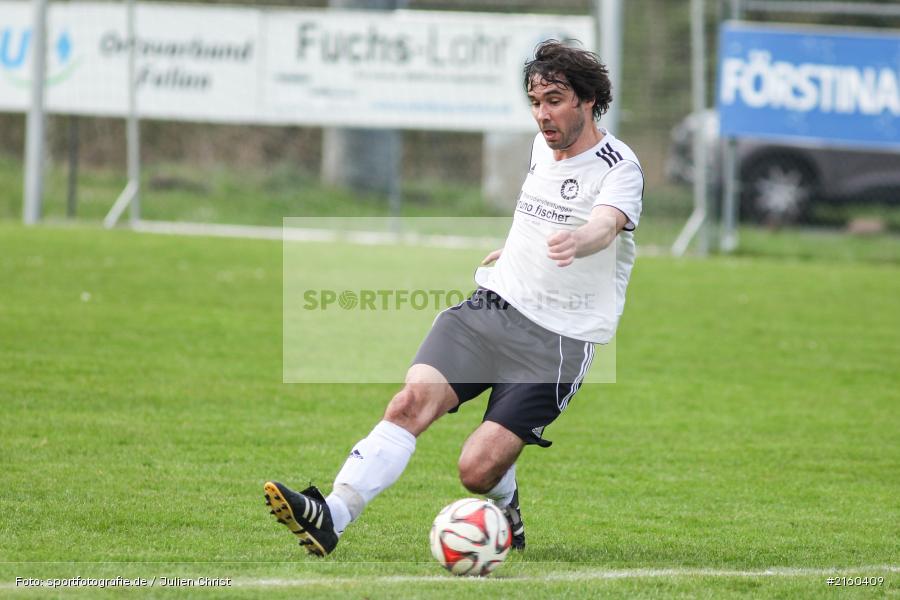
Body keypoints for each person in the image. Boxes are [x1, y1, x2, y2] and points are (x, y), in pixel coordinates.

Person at [264, 39, 644, 557]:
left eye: (554, 100)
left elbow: (604, 225)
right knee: (408, 403)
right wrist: (516, 249)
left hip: (559, 340)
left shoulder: (620, 167)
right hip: (493, 307)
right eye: (535, 102)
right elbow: (540, 212)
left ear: (587, 99)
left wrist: (582, 240)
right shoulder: (540, 148)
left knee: (476, 470)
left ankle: (505, 505)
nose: (542, 115)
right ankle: (332, 514)